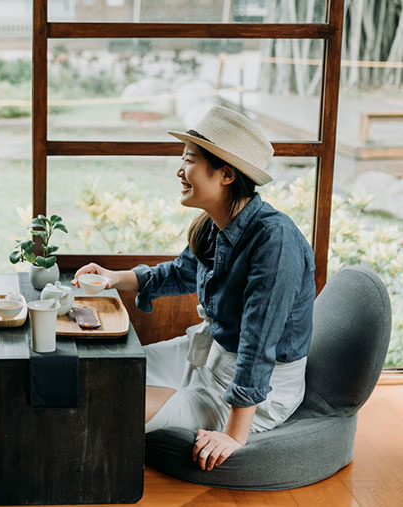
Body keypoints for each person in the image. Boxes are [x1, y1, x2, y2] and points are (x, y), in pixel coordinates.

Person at [72, 106, 315, 472]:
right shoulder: (213, 225)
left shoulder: (274, 241)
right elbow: (181, 272)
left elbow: (257, 343)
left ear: (226, 175)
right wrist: (113, 277)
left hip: (253, 393)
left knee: (109, 405)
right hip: (203, 357)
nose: (179, 170)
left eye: (189, 161)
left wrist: (234, 435)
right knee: (101, 374)